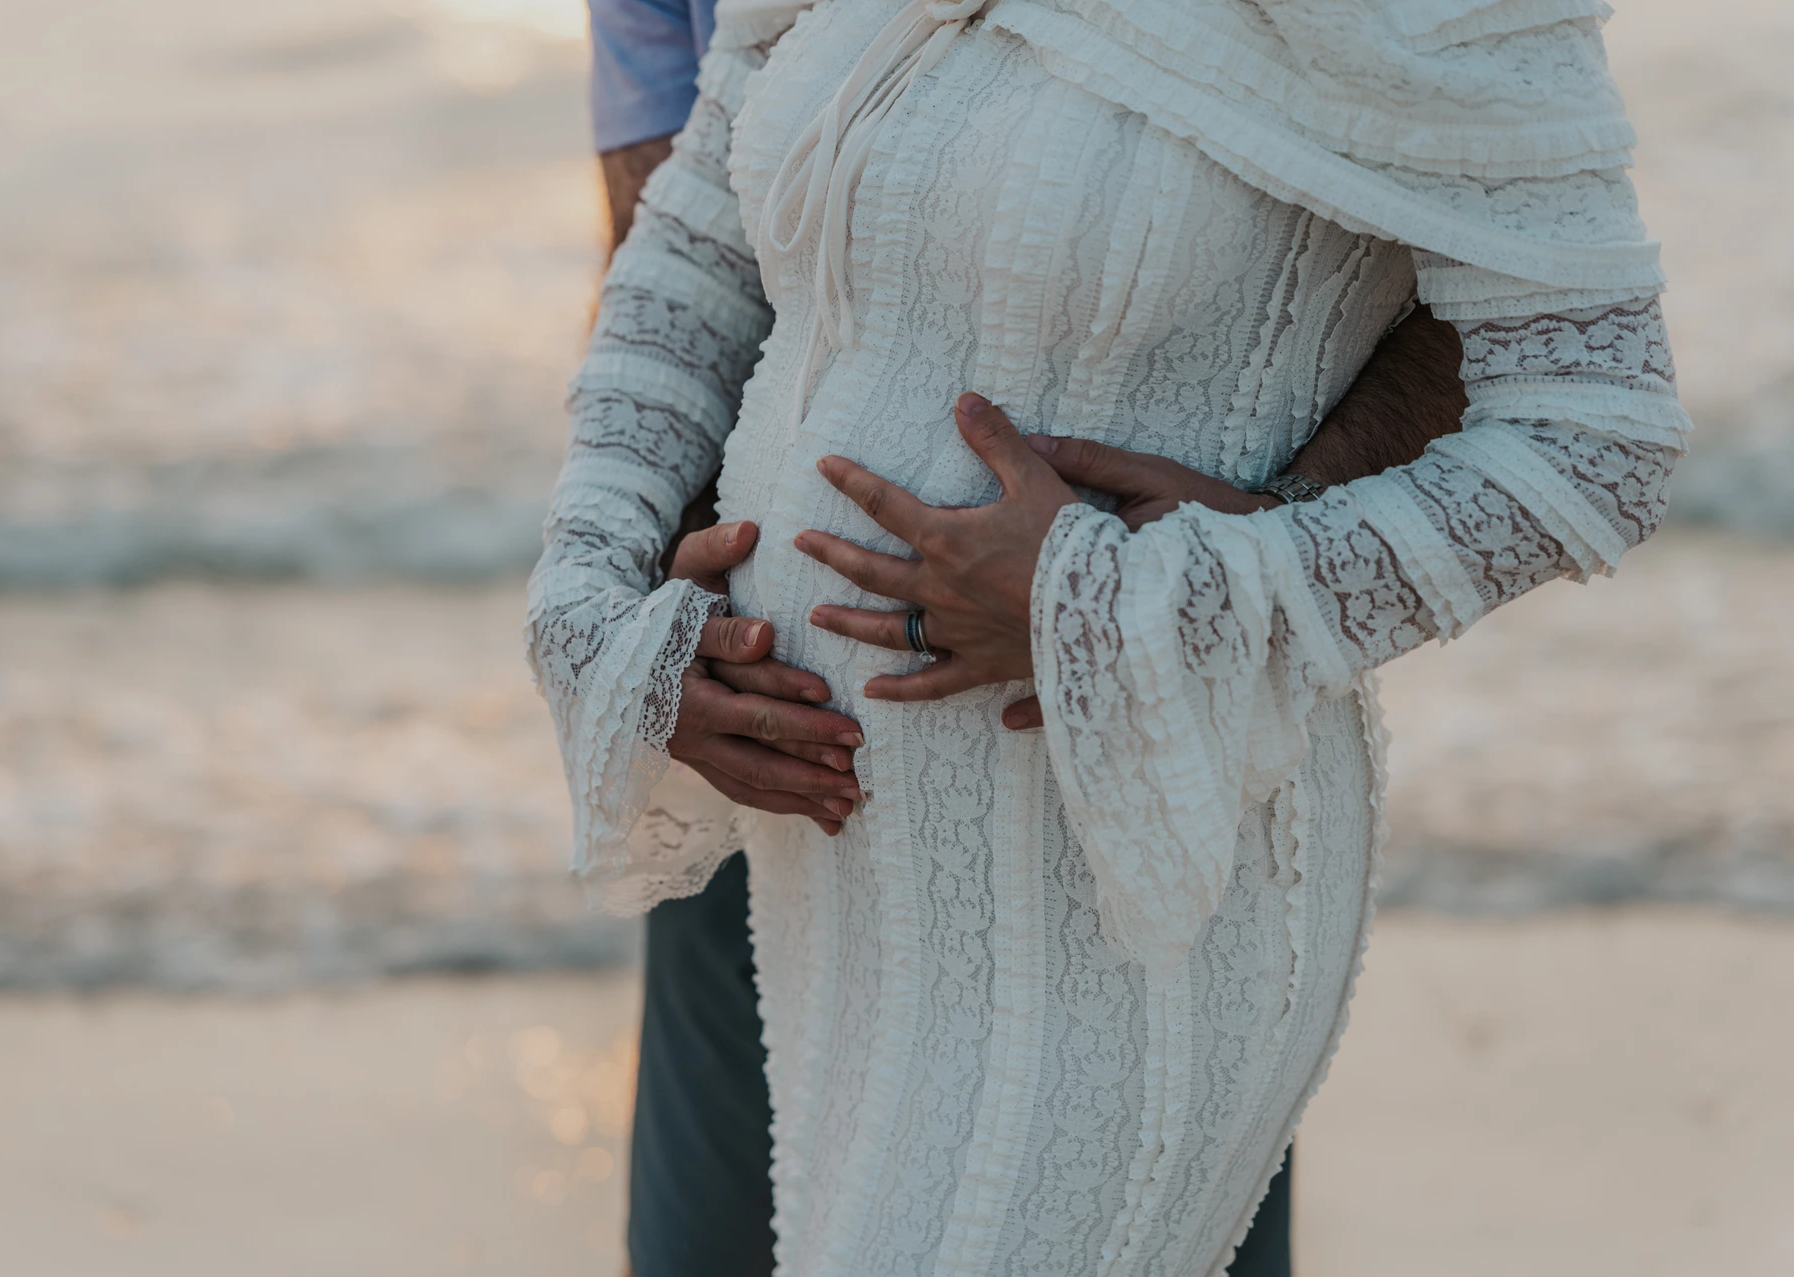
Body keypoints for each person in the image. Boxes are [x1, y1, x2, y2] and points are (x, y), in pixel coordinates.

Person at [539, 0, 1686, 1272]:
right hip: (842, 872)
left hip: (1119, 873)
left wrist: (1142, 599)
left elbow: (1597, 432)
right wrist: (594, 600)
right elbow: (687, 257)